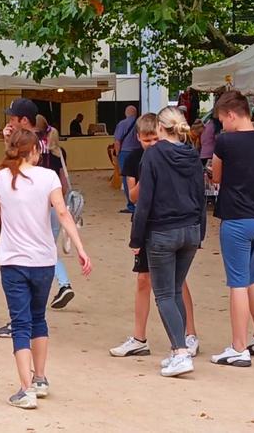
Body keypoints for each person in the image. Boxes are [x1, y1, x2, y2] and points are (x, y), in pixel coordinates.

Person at [0, 128, 92, 409]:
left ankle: (25, 388)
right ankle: (41, 377)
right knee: (38, 318)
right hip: (43, 260)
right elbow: (63, 213)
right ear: (35, 151)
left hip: (13, 260)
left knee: (20, 323)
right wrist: (80, 248)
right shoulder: (48, 177)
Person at [110, 113, 200, 358]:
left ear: (161, 132)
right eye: (146, 140)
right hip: (158, 225)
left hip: (163, 228)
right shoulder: (142, 159)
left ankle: (185, 340)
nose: (150, 144)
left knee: (173, 286)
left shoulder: (167, 156)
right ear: (138, 138)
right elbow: (135, 196)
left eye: (154, 138)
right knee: (145, 281)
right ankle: (140, 338)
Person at [129, 106, 205, 377]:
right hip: (191, 230)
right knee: (174, 291)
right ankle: (178, 349)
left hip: (163, 232)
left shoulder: (154, 155)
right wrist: (201, 233)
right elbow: (200, 194)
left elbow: (144, 200)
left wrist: (136, 238)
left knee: (163, 295)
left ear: (160, 128)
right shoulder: (191, 153)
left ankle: (181, 352)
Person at [210, 90, 254, 367]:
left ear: (232, 114)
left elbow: (217, 176)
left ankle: (238, 346)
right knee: (252, 278)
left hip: (236, 218)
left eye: (222, 119)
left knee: (236, 282)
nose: (221, 125)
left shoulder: (225, 142)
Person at [0, 98, 42, 338]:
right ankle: (24, 320)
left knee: (23, 269)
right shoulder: (26, 143)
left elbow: (14, 171)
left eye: (13, 117)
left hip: (31, 215)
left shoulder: (35, 145)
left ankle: (22, 322)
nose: (9, 121)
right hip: (25, 213)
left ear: (24, 120)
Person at [34, 115, 75, 309]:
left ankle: (63, 283)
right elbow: (64, 183)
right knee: (48, 247)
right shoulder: (61, 154)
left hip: (41, 206)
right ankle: (59, 285)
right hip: (58, 205)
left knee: (46, 249)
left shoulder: (38, 155)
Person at [114, 105, 139, 213]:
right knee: (139, 177)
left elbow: (117, 141)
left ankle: (131, 205)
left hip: (125, 153)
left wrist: (117, 154)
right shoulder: (140, 123)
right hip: (139, 152)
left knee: (127, 178)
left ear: (126, 113)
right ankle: (139, 203)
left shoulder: (122, 124)